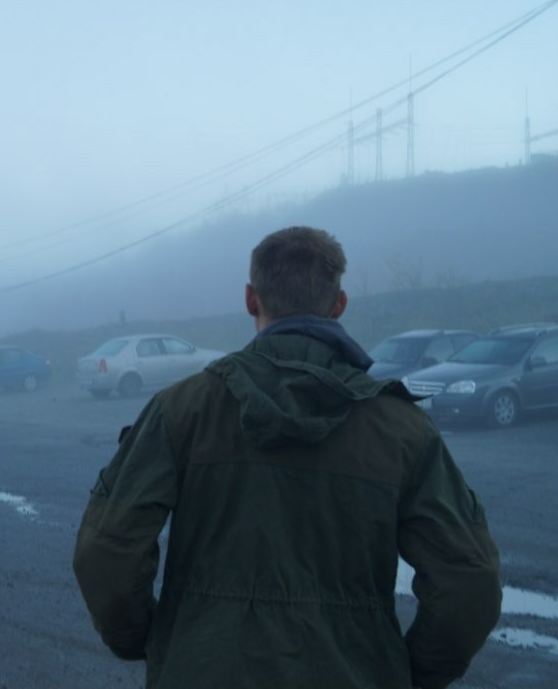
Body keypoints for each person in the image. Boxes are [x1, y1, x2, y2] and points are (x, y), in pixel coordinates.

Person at [72, 226, 501, 689]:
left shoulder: (180, 411)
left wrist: (149, 640)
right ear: (338, 305)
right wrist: (408, 671)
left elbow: (107, 551)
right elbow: (468, 581)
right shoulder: (404, 431)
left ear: (251, 299)